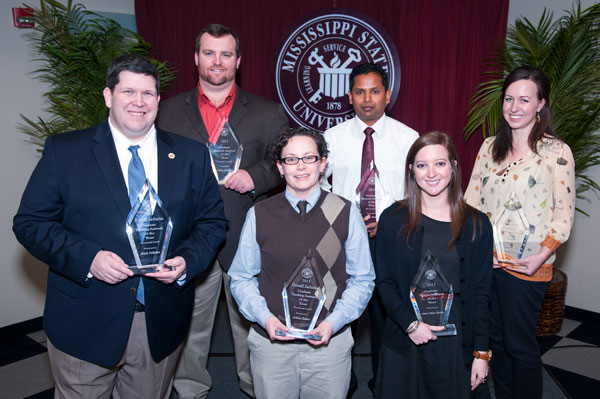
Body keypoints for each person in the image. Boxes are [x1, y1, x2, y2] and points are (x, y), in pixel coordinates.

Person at [12, 54, 227, 398]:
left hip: (159, 322)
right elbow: (30, 223)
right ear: (109, 96)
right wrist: (89, 258)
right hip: (86, 319)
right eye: (128, 92)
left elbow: (212, 223)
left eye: (148, 94)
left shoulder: (191, 155)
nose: (138, 102)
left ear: (158, 100)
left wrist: (188, 260)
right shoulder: (65, 152)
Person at [157, 24, 289, 398]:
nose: (218, 61)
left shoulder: (267, 111)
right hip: (188, 237)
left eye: (226, 54)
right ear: (197, 58)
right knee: (190, 326)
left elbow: (282, 161)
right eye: (210, 53)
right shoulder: (167, 112)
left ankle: (253, 387)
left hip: (246, 234)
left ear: (238, 61)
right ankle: (190, 389)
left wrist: (256, 175)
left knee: (251, 324)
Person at [229, 127, 375, 399]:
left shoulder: (345, 212)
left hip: (329, 345)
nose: (300, 166)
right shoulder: (259, 213)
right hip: (271, 345)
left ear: (323, 163)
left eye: (309, 158)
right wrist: (265, 319)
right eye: (291, 159)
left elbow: (362, 279)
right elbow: (241, 278)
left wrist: (334, 322)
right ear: (280, 168)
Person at [465, 65, 575, 399]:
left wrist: (541, 255)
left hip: (528, 268)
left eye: (524, 99)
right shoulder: (488, 148)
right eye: (509, 99)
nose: (514, 107)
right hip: (488, 264)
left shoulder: (556, 153)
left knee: (520, 345)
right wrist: (476, 252)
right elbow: (471, 200)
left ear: (540, 104)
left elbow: (563, 214)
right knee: (495, 342)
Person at [320, 62, 418, 392]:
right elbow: (317, 185)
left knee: (386, 317)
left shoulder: (408, 138)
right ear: (349, 96)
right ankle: (340, 384)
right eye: (360, 92)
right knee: (340, 315)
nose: (367, 99)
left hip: (391, 241)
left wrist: (392, 222)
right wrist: (341, 217)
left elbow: (418, 191)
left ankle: (384, 383)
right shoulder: (330, 138)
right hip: (344, 238)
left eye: (374, 91)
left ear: (387, 95)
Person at [375, 132, 493, 398]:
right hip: (406, 339)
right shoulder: (392, 220)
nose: (431, 173)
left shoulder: (477, 225)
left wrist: (482, 353)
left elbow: (483, 294)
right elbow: (384, 282)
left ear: (453, 166)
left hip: (455, 345)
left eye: (440, 163)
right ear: (411, 170)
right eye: (421, 165)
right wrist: (410, 325)